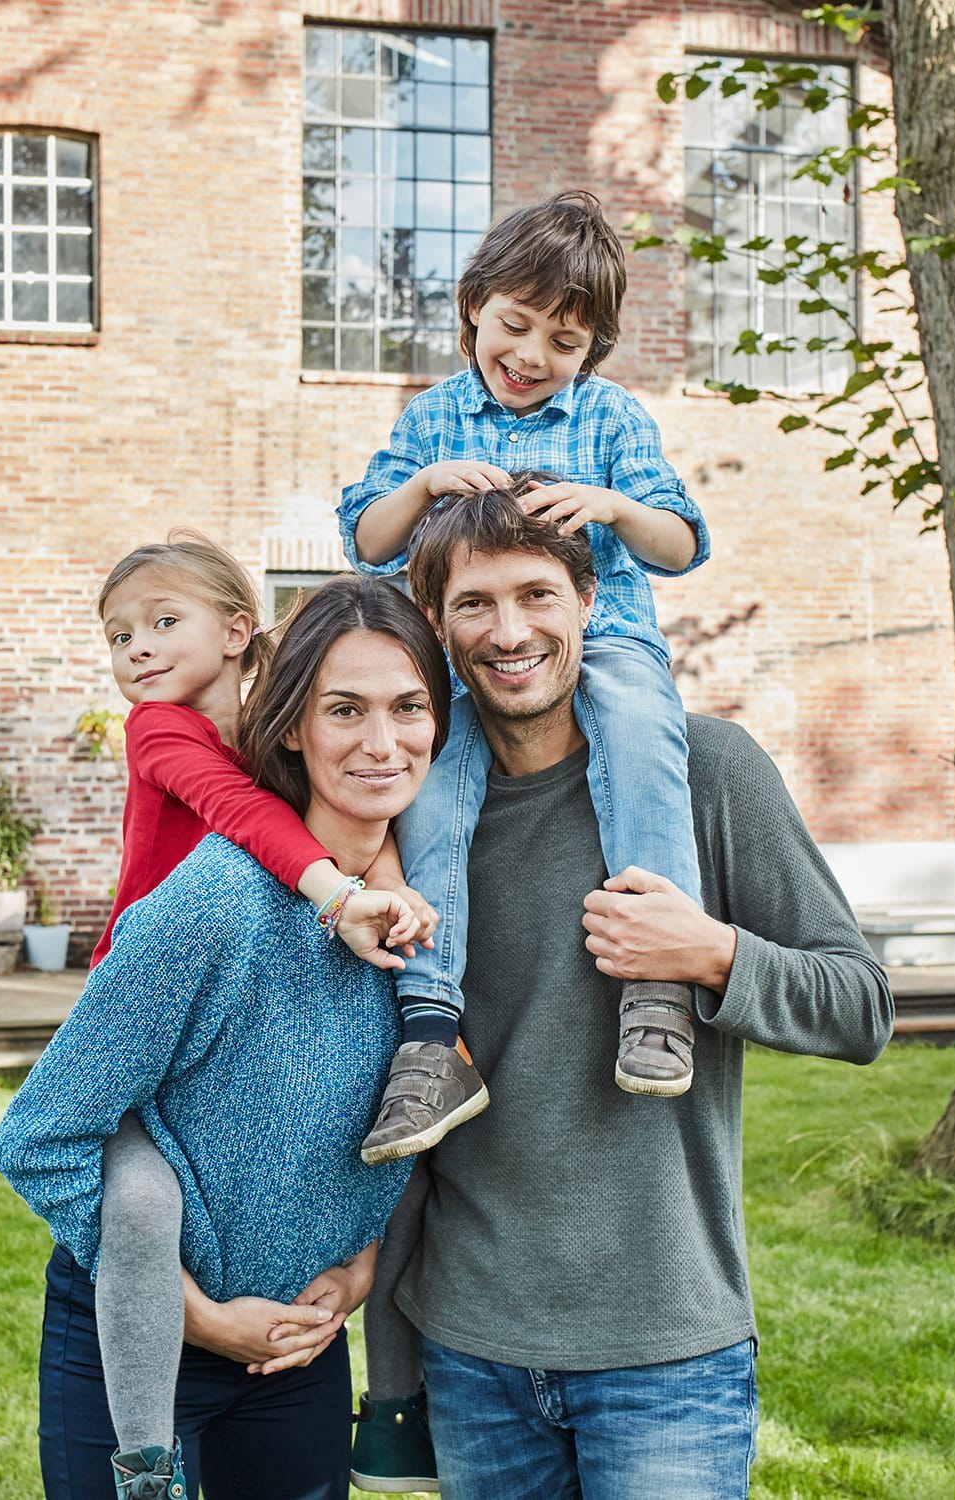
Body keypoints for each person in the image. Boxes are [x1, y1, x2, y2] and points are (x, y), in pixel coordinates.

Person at [350, 479, 895, 1498]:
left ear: (590, 603)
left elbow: (860, 1007)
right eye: (475, 604)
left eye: (537, 595)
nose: (509, 631)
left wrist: (712, 954)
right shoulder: (412, 811)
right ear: (436, 621)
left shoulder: (708, 774)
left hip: (666, 1345)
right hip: (471, 1343)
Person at [0, 573, 451, 1500]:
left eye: (409, 707)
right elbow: (38, 1138)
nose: (381, 742)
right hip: (135, 1342)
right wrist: (194, 1315)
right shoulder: (212, 905)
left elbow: (410, 1119)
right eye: (344, 710)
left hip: (297, 1353)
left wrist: (359, 1263)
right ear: (288, 727)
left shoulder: (429, 919)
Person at [338, 189, 712, 1167]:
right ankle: (429, 1032)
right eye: (515, 324)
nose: (534, 355)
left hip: (608, 639)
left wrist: (615, 507)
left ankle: (655, 984)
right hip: (465, 666)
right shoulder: (434, 419)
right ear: (474, 307)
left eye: (566, 339)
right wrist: (421, 488)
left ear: (595, 350)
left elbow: (679, 543)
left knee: (638, 731)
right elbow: (366, 540)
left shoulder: (612, 419)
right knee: (436, 786)